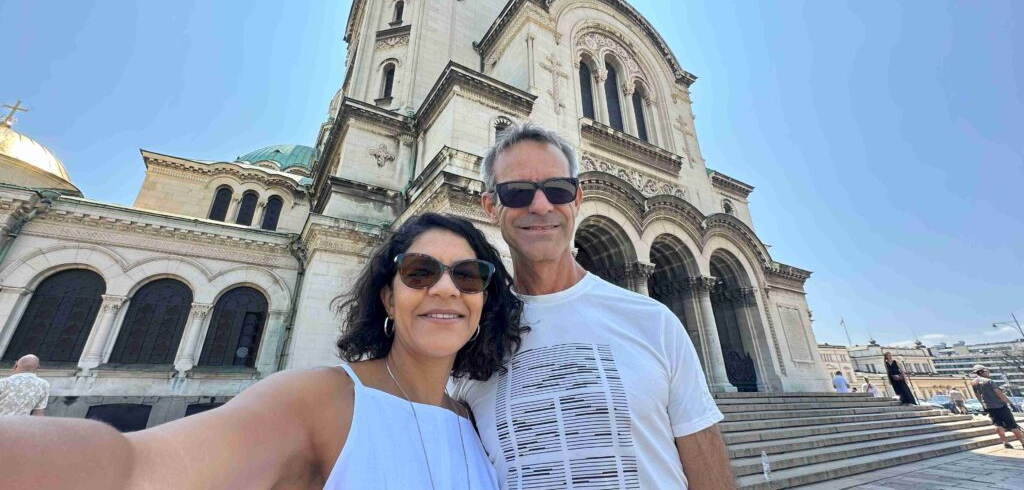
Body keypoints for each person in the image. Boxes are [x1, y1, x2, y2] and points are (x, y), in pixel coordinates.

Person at [0, 212, 527, 489]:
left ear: (483, 300)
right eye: (419, 272)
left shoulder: (475, 418)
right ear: (388, 297)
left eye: (468, 276)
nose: (445, 289)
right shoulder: (321, 400)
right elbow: (135, 466)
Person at [456, 122, 733, 489]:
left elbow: (710, 473)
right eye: (517, 192)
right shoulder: (471, 339)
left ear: (576, 199)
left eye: (558, 189)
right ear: (491, 206)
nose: (540, 205)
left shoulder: (654, 321)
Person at [971, 364, 1024, 450]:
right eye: (986, 371)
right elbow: (999, 393)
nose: (988, 372)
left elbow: (977, 395)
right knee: (1013, 425)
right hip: (1000, 406)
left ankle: (1005, 442)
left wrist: (983, 404)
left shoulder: (973, 383)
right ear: (981, 372)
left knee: (997, 424)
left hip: (989, 407)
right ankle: (1022, 442)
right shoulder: (989, 381)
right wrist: (1011, 403)